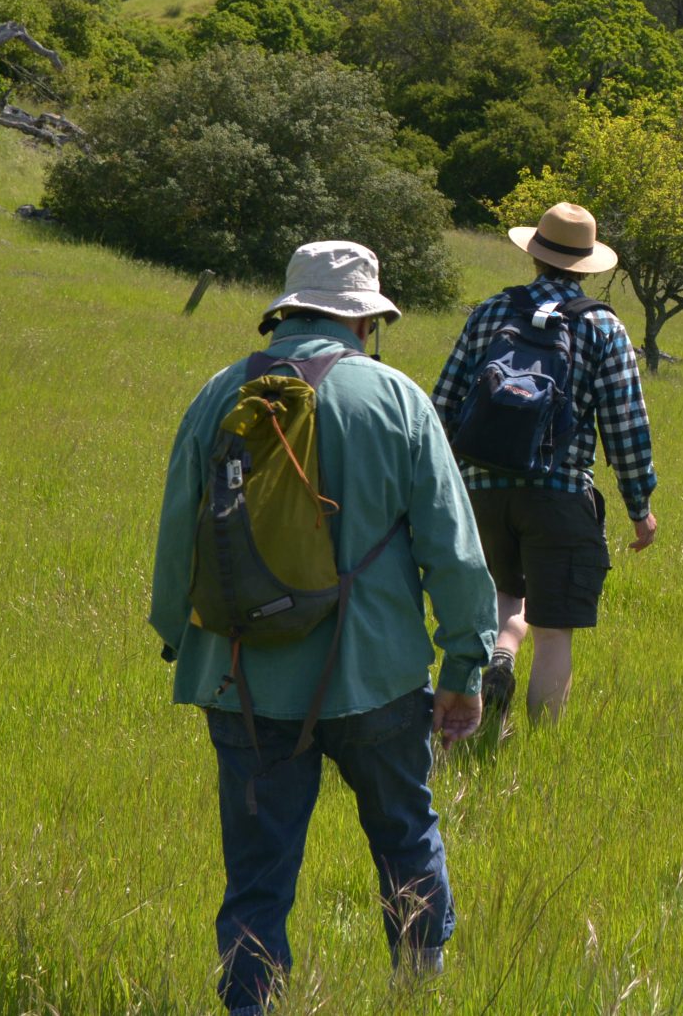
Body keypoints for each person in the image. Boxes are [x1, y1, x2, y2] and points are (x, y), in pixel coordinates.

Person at [149, 240, 497, 1011]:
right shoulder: (400, 399)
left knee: (257, 874)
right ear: (365, 322)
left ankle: (249, 1004)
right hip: (377, 677)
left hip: (242, 674)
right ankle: (418, 992)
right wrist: (465, 671)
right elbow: (456, 553)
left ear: (287, 309)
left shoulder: (217, 394)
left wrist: (184, 638)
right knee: (405, 837)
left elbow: (180, 531)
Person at [431, 201, 658, 726]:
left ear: (534, 256)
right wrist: (639, 505)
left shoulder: (489, 313)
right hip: (558, 494)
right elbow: (625, 425)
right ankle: (537, 748)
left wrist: (444, 492)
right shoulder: (603, 327)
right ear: (586, 265)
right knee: (555, 627)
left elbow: (443, 405)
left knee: (504, 594)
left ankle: (498, 663)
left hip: (482, 491)